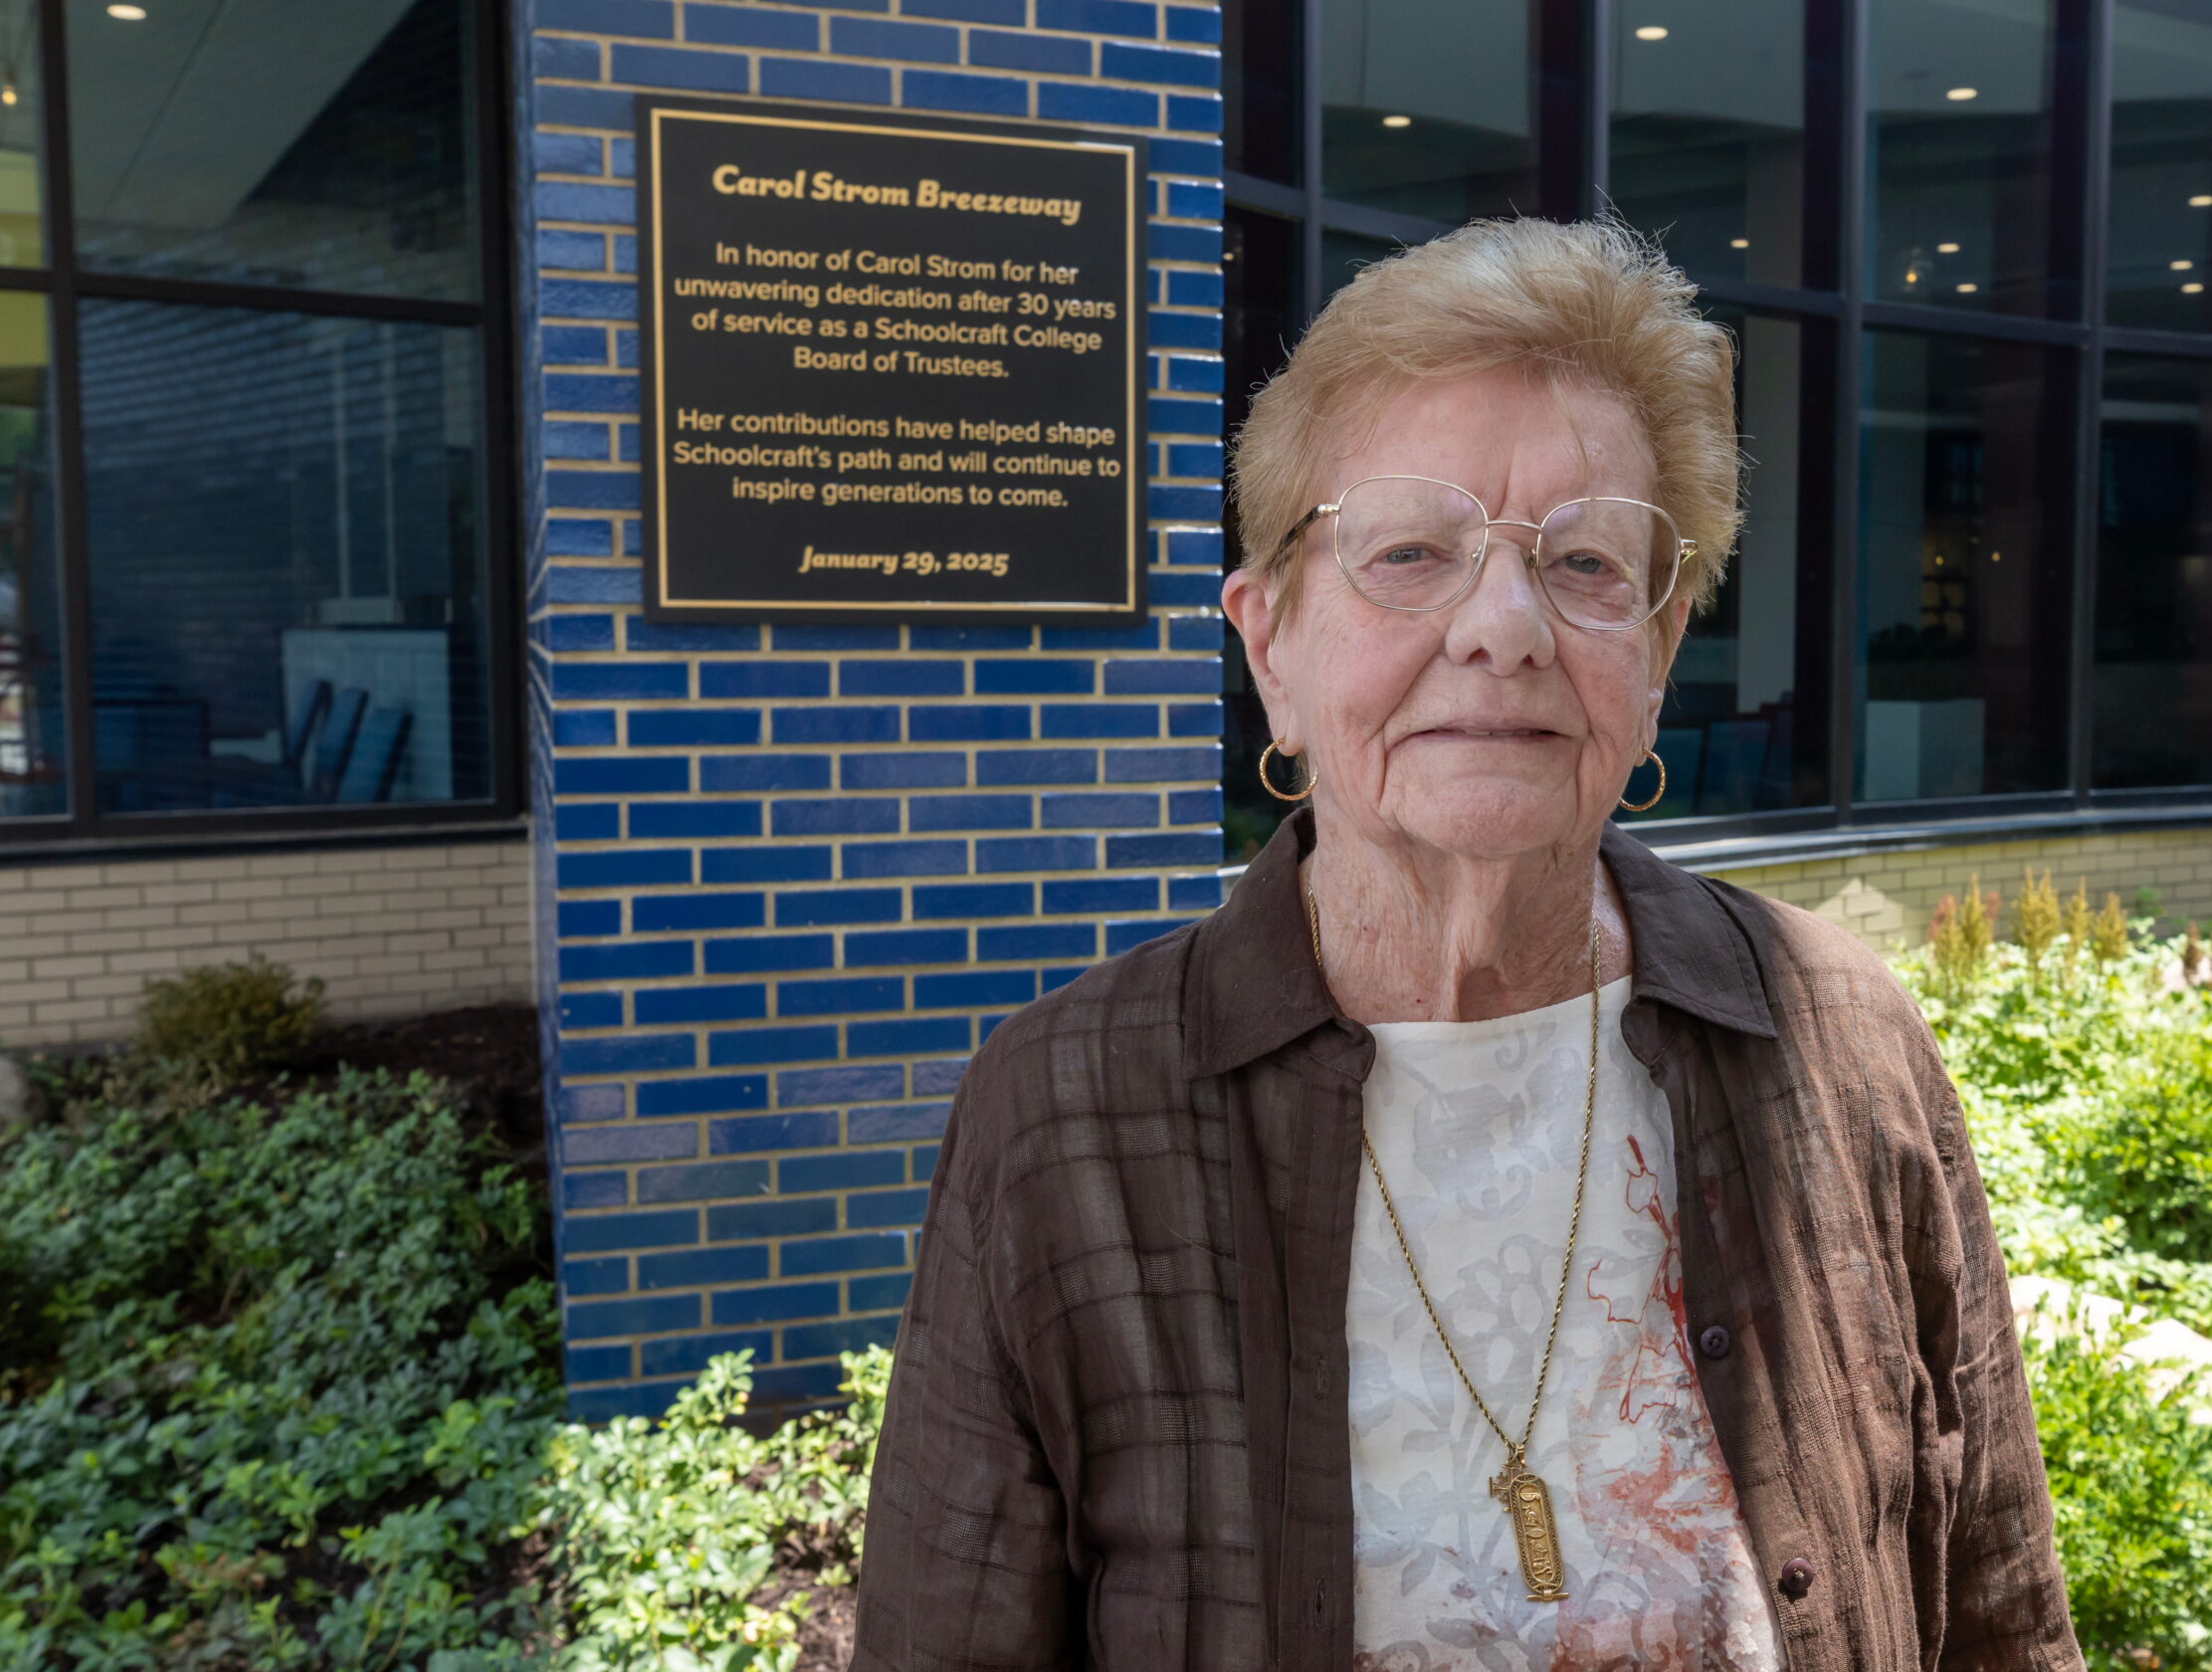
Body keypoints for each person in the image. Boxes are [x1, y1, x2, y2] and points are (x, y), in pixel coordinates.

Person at [854, 217, 2077, 1672]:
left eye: (1584, 566)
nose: (1503, 626)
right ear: (1270, 649)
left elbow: (2001, 1614)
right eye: (1413, 550)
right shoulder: (1061, 1113)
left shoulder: (1847, 1041)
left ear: (1659, 655)